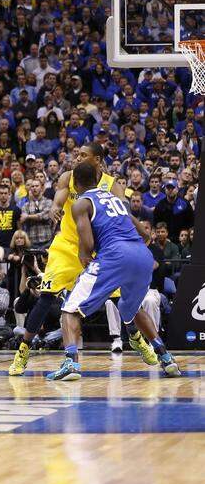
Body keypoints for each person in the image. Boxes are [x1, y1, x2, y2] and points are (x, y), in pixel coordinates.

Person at [8, 144, 136, 376]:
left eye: (83, 155)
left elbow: (123, 211)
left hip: (96, 248)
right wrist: (55, 208)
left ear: (97, 160)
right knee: (46, 296)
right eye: (76, 154)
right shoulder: (68, 177)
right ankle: (23, 351)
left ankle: (140, 340)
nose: (77, 158)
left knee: (121, 297)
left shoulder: (111, 184)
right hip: (66, 246)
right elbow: (58, 201)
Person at [47, 162, 180, 380]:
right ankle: (166, 357)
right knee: (132, 309)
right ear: (97, 180)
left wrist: (87, 263)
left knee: (70, 308)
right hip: (142, 256)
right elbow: (146, 235)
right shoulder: (115, 199)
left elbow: (87, 245)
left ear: (75, 183)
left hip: (114, 254)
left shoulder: (81, 203)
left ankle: (71, 363)